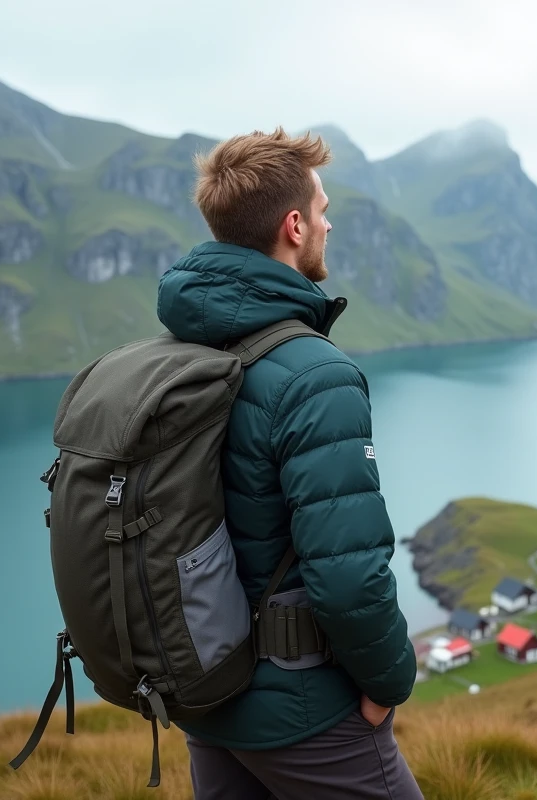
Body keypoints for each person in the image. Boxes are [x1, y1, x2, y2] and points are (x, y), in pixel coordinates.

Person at [155, 128, 422, 799]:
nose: (330, 225)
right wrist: (388, 684)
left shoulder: (179, 350)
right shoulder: (315, 375)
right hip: (301, 711)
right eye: (324, 210)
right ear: (294, 225)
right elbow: (348, 572)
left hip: (207, 692)